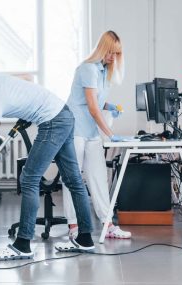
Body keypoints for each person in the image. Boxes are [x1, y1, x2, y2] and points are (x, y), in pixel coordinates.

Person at [0, 73, 94, 261]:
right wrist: (28, 111)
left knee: (29, 178)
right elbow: (27, 81)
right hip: (64, 114)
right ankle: (86, 239)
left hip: (53, 122)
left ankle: (23, 244)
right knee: (73, 180)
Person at [63, 30, 131, 240]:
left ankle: (108, 224)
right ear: (103, 48)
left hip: (90, 130)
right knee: (73, 179)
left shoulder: (104, 72)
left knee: (99, 177)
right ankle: (73, 226)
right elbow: (92, 107)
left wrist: (110, 106)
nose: (113, 57)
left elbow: (97, 102)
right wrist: (111, 134)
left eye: (117, 53)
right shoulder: (88, 68)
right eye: (110, 52)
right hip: (74, 130)